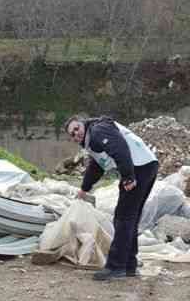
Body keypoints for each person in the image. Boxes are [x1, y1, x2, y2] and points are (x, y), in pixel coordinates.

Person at [64, 116, 158, 280]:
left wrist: (129, 177)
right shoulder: (93, 139)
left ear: (82, 123)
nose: (75, 134)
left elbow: (119, 148)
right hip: (147, 164)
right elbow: (97, 166)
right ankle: (129, 265)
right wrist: (84, 189)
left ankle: (116, 267)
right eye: (72, 134)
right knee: (130, 218)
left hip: (138, 167)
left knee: (123, 217)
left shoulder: (98, 130)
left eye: (76, 128)